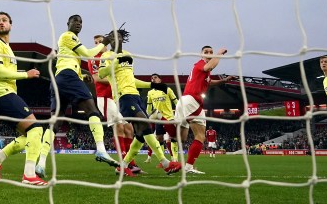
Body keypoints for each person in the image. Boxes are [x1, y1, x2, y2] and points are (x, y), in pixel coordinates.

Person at [40, 15, 120, 179]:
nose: (78, 23)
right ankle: (101, 150)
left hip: (60, 80)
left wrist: (83, 77)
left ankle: (40, 163)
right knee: (93, 111)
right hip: (68, 78)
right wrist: (105, 42)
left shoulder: (69, 46)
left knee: (55, 122)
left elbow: (69, 63)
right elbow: (88, 53)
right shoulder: (68, 36)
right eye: (75, 20)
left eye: (81, 22)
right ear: (67, 23)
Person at [0, 12, 47, 186]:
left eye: (4, 20)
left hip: (3, 95)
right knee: (36, 130)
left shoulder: (8, 48)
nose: (1, 23)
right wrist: (26, 74)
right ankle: (29, 174)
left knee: (29, 135)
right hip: (1, 94)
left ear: (11, 24)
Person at [99, 52, 182, 176]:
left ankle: (123, 165)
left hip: (136, 96)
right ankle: (165, 163)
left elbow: (132, 80)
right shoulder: (106, 55)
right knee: (145, 124)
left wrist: (152, 85)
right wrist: (117, 61)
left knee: (140, 134)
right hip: (123, 96)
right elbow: (101, 74)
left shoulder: (128, 55)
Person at [172, 45, 234, 176]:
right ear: (201, 55)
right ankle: (187, 166)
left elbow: (209, 82)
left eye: (211, 52)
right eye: (206, 52)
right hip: (191, 100)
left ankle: (173, 160)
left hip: (187, 101)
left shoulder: (204, 71)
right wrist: (219, 54)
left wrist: (224, 81)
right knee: (199, 136)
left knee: (182, 139)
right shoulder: (201, 64)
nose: (209, 53)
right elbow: (210, 66)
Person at [87, 34, 142, 175]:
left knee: (129, 129)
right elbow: (97, 78)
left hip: (118, 97)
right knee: (119, 128)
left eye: (100, 42)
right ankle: (123, 165)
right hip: (105, 97)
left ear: (107, 44)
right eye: (95, 42)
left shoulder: (113, 56)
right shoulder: (94, 58)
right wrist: (116, 78)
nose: (98, 44)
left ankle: (131, 163)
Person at [146, 73, 178, 161]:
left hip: (169, 118)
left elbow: (176, 102)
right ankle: (163, 159)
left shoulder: (167, 89)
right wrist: (147, 115)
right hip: (158, 119)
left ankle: (174, 158)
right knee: (159, 138)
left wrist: (179, 113)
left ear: (160, 80)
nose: (153, 79)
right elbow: (149, 107)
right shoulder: (150, 93)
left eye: (155, 77)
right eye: (152, 78)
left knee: (173, 137)